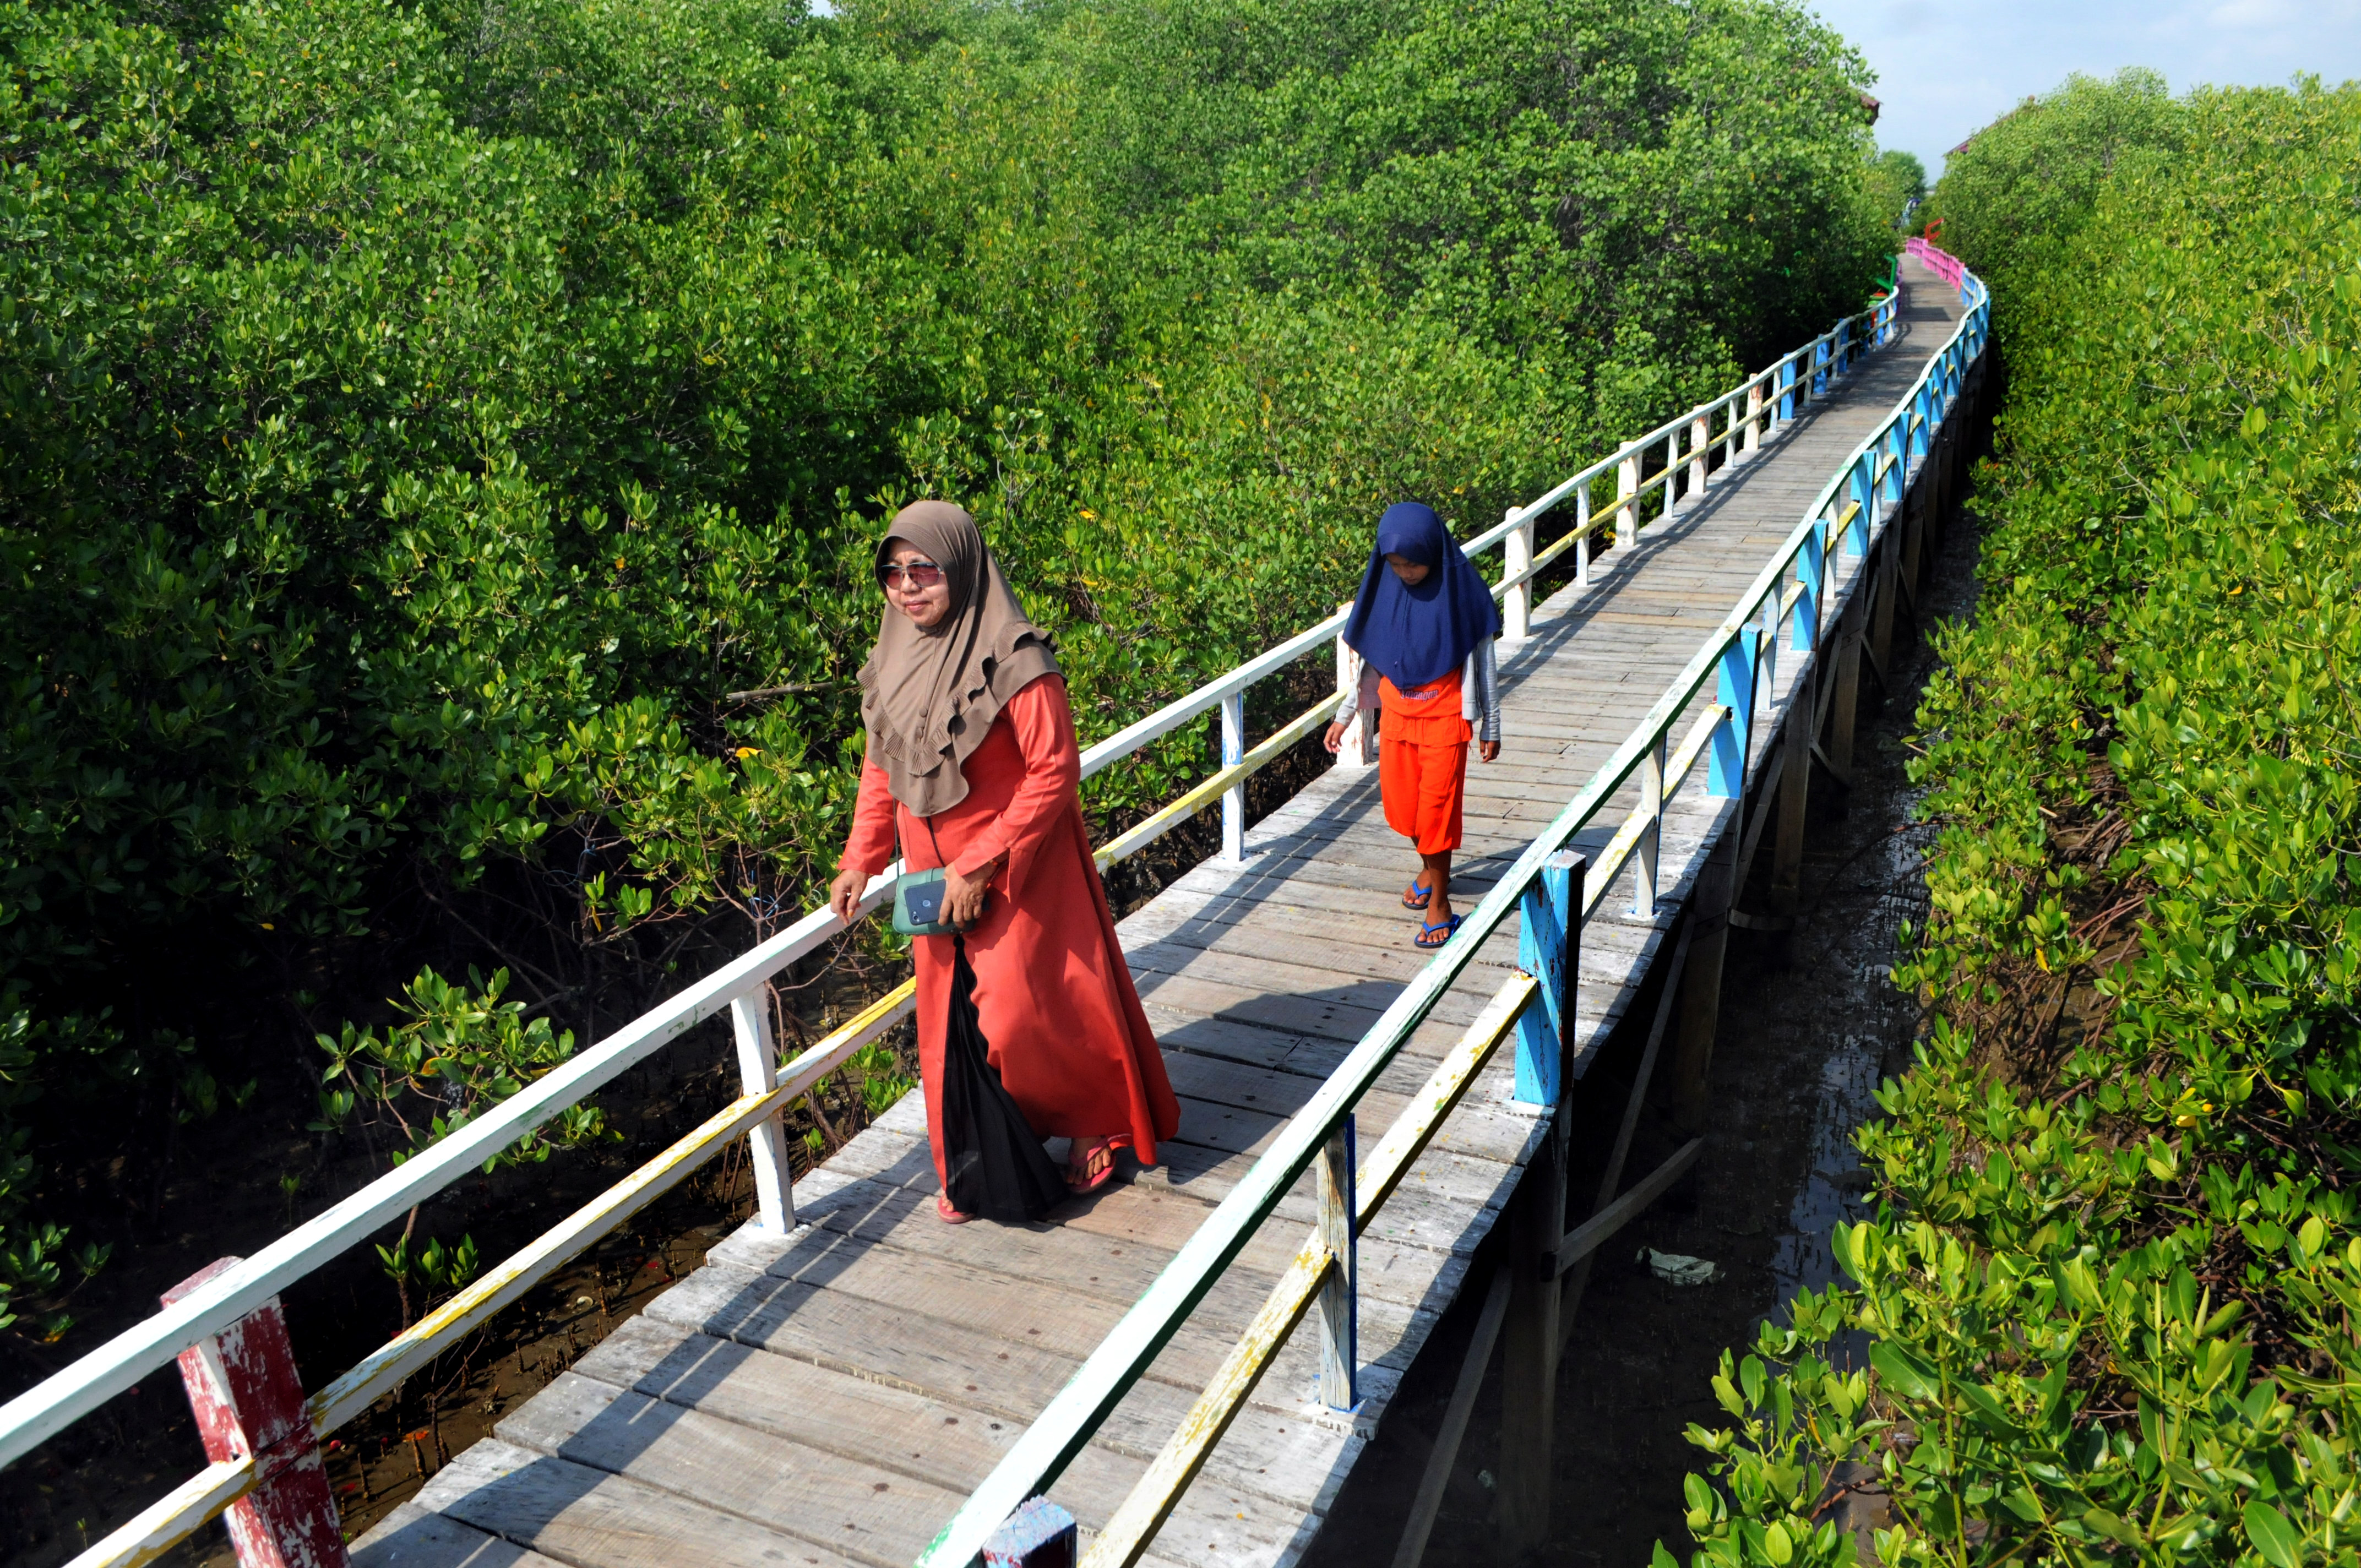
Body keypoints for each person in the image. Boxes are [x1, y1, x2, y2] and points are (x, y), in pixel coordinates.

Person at [828, 500, 1181, 1223]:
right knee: (948, 1025)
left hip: (1017, 865)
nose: (907, 586)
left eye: (923, 568)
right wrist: (861, 858)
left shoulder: (1015, 655)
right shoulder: (890, 660)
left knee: (1029, 1012)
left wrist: (983, 860)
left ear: (960, 567)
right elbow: (881, 769)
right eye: (892, 573)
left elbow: (1054, 770)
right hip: (931, 879)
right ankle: (978, 1161)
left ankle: (1091, 1122)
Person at [1323, 502, 1504, 948]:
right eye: (1396, 564)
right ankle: (1429, 866)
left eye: (1414, 563)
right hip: (1398, 721)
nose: (1405, 572)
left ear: (1433, 552)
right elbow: (1373, 660)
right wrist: (1346, 716)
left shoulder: (1463, 592)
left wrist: (1492, 725)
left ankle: (1441, 903)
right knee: (1406, 813)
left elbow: (1484, 664)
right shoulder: (1386, 588)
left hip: (1445, 720)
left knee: (1436, 815)